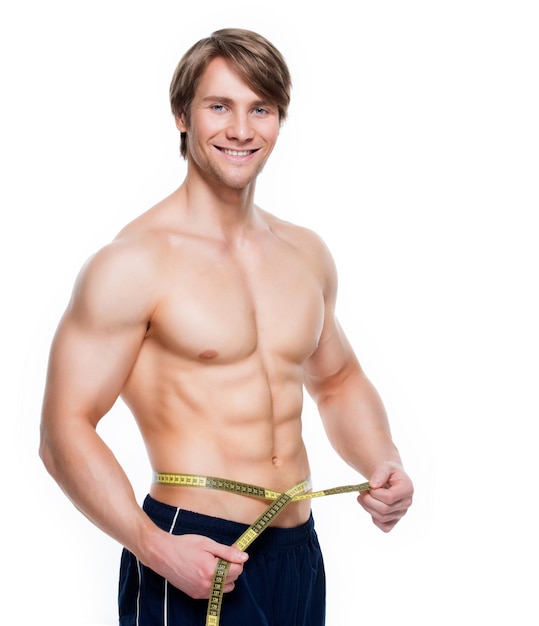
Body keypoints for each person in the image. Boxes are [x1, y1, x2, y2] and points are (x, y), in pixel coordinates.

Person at [39, 28, 414, 626]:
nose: (241, 130)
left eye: (259, 109)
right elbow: (63, 430)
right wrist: (154, 547)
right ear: (181, 115)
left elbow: (338, 380)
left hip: (297, 549)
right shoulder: (133, 263)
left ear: (278, 121)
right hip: (192, 549)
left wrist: (381, 459)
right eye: (219, 106)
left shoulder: (304, 253)